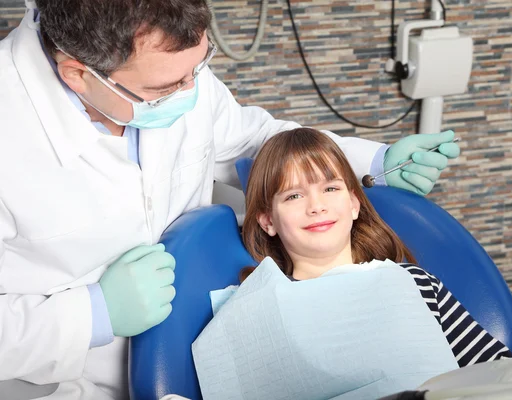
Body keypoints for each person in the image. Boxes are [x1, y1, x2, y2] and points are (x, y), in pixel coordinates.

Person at [0, 0, 459, 398]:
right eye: (165, 90)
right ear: (78, 75)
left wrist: (371, 162)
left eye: (198, 68)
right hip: (73, 385)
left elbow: (250, 141)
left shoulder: (169, 68)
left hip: (208, 349)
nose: (192, 92)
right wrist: (92, 313)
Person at [241, 127, 512, 368]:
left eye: (331, 189)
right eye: (294, 195)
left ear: (354, 204)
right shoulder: (263, 312)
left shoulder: (416, 285)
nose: (317, 206)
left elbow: (500, 374)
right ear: (267, 221)